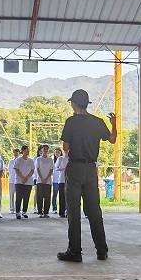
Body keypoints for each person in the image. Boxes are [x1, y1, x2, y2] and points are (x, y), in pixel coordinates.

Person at [58, 89, 117, 262]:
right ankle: (102, 250)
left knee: (73, 211)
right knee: (94, 211)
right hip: (91, 169)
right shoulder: (97, 122)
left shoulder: (71, 121)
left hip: (75, 168)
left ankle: (75, 251)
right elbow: (112, 139)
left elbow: (66, 148)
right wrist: (114, 123)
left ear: (74, 104)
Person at [13, 145, 35, 219]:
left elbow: (32, 170)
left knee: (26, 197)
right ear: (22, 151)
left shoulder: (31, 160)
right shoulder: (18, 160)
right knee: (19, 197)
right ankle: (18, 212)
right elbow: (16, 170)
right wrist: (22, 178)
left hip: (28, 182)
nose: (28, 151)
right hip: (19, 182)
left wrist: (27, 178)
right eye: (26, 150)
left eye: (28, 150)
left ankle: (24, 211)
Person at [34, 145, 55, 218]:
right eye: (44, 149)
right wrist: (41, 178)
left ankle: (46, 212)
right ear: (41, 150)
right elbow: (37, 169)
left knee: (47, 197)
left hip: (48, 181)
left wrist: (46, 178)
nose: (45, 150)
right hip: (40, 181)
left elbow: (51, 169)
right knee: (39, 197)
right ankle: (40, 212)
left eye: (46, 149)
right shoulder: (38, 159)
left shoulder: (50, 160)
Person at [53, 147, 69, 218]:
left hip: (70, 180)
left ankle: (68, 211)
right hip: (61, 180)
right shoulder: (60, 158)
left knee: (69, 197)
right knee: (62, 196)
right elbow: (56, 168)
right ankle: (61, 212)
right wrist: (64, 168)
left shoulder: (71, 159)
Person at [6, 148, 20, 215]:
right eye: (14, 152)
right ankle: (12, 208)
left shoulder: (20, 161)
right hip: (11, 180)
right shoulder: (11, 161)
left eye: (17, 152)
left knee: (19, 195)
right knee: (11, 195)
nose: (16, 154)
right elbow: (9, 170)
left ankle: (18, 208)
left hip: (18, 180)